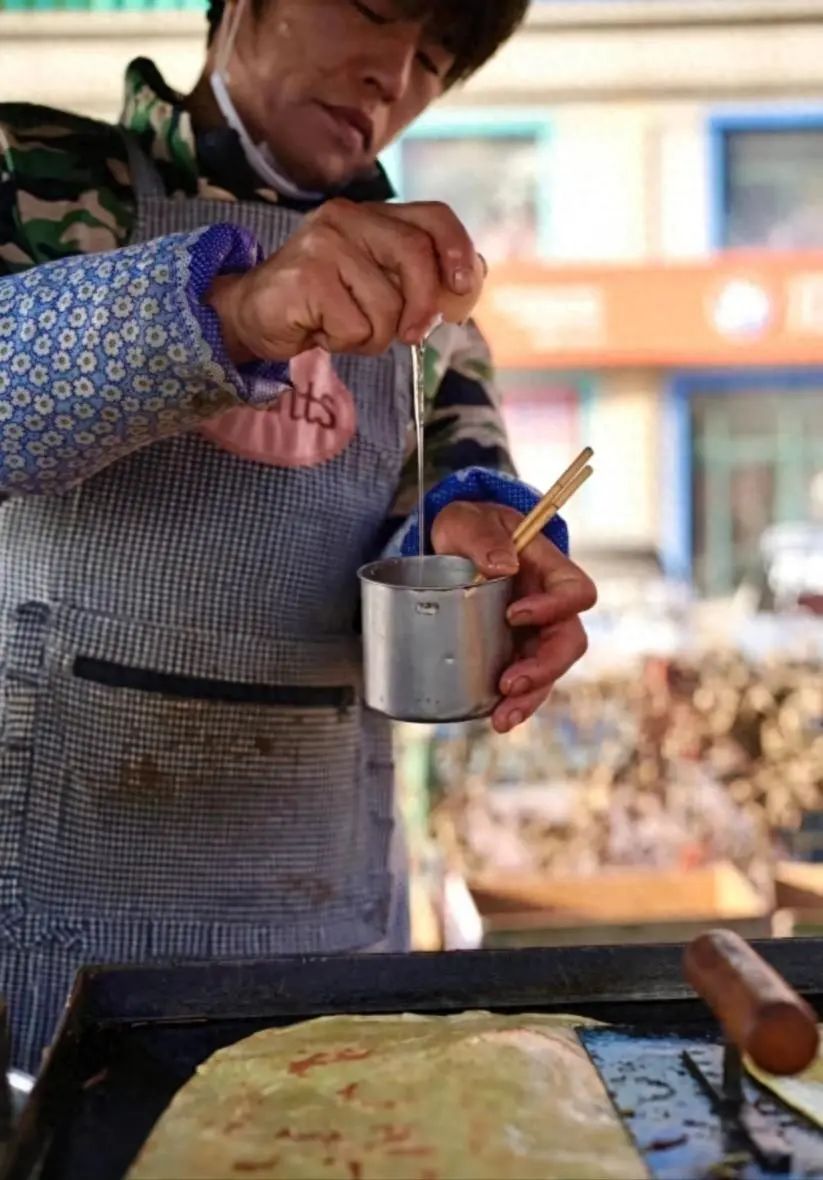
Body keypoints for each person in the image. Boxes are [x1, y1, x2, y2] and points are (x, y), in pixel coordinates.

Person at [0, 0, 596, 1071]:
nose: (393, 78)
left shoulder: (428, 307)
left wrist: (483, 553)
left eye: (435, 57)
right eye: (372, 11)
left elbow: (454, 492)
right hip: (40, 945)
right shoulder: (40, 177)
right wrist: (229, 311)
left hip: (319, 928)